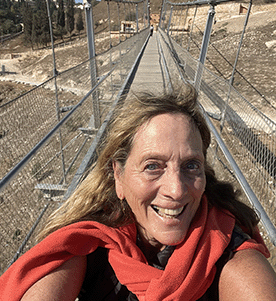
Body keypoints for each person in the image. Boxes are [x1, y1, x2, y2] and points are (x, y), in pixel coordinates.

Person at [0, 84, 276, 301]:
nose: (176, 189)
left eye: (191, 165)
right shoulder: (85, 245)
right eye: (152, 166)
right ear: (118, 176)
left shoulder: (234, 258)